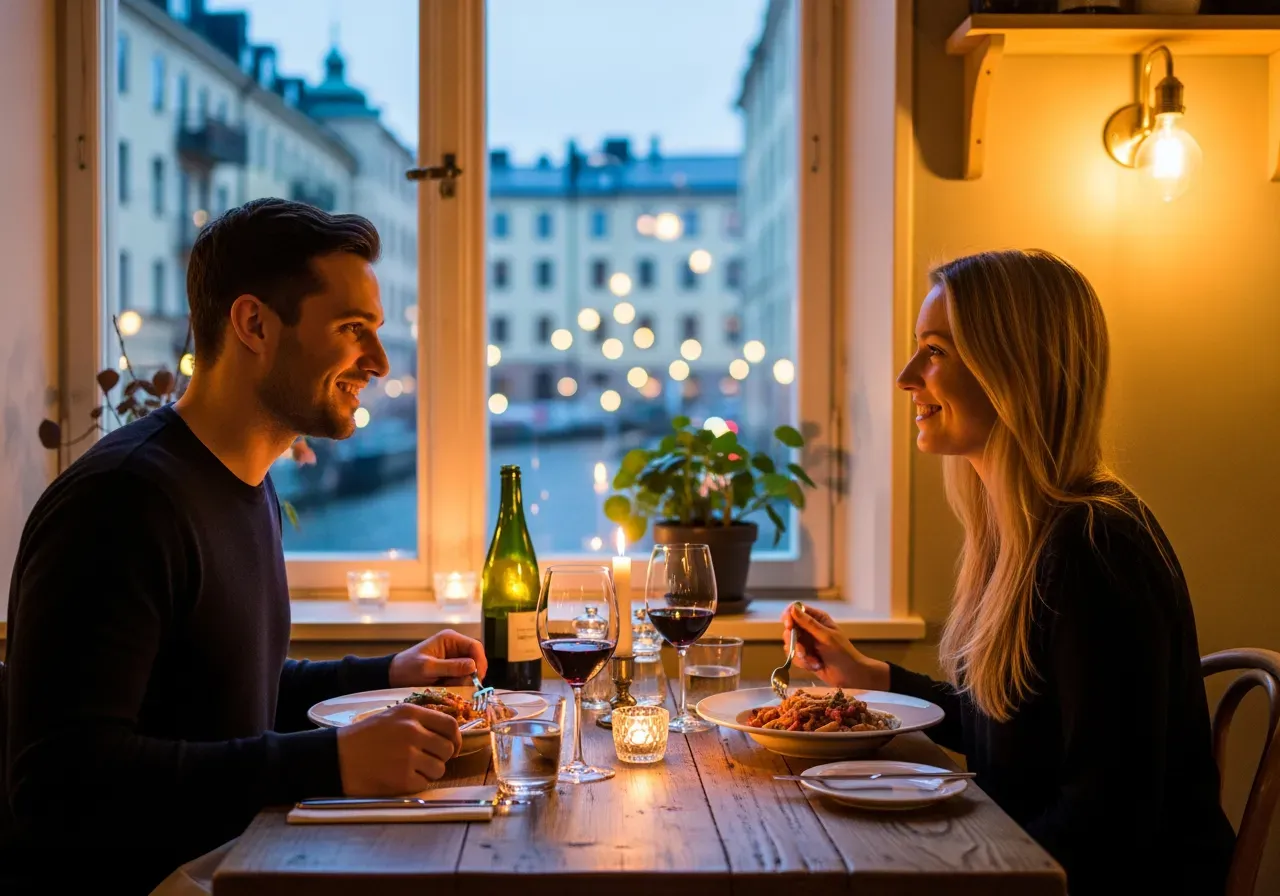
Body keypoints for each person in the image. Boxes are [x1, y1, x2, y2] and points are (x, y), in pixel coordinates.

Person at [1, 199, 486, 893]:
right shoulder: (120, 502)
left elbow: (230, 695)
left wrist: (388, 675)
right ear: (255, 323)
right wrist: (331, 761)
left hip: (236, 865)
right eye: (353, 329)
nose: (377, 362)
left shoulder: (247, 486)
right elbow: (60, 780)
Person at [783, 250, 1235, 895]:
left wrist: (943, 870)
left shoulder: (1095, 549)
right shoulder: (1020, 537)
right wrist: (865, 675)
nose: (908, 376)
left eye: (934, 350)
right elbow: (1009, 728)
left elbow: (1106, 822)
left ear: (1013, 370)